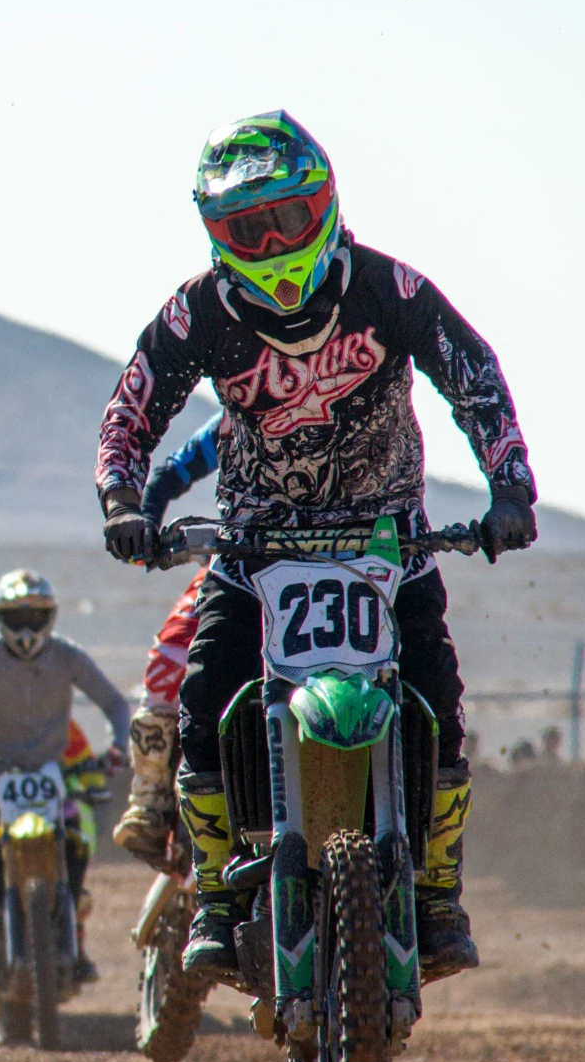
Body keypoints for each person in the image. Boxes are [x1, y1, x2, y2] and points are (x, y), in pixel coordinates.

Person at [95, 112, 536, 986]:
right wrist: (120, 499)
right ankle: (219, 898)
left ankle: (439, 893)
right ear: (215, 236)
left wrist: (509, 484)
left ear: (326, 205)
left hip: (387, 537)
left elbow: (471, 370)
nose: (269, 244)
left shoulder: (387, 288)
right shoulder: (199, 311)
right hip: (257, 546)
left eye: (286, 221)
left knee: (438, 705)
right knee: (204, 696)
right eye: (244, 230)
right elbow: (132, 407)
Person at [0, 571, 131, 998]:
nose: (27, 629)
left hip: (52, 774)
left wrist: (118, 746)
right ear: (0, 619)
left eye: (36, 617)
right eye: (17, 618)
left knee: (76, 843)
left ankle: (75, 938)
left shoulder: (67, 657)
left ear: (51, 618)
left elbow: (114, 702)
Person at [112, 412, 231, 869]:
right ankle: (150, 797)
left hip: (339, 564)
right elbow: (170, 471)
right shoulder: (242, 410)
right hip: (239, 563)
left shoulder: (366, 399)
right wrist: (145, 525)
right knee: (170, 654)